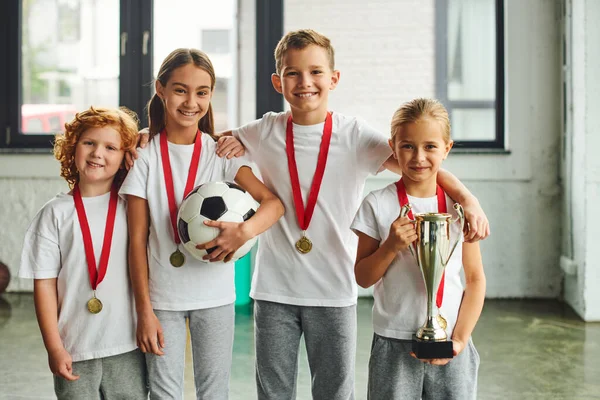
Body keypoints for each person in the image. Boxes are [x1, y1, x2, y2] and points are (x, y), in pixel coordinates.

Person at [214, 29, 489, 400]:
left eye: (315, 72)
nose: (305, 82)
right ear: (278, 81)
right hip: (275, 289)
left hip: (335, 290)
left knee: (334, 392)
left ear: (334, 78)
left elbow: (419, 165)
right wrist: (147, 137)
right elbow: (199, 140)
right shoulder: (263, 130)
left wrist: (467, 198)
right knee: (273, 392)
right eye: (293, 73)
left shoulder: (355, 135)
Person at [120, 48, 284, 400]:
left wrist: (244, 231)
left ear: (211, 95)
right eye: (180, 90)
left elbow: (274, 205)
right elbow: (136, 242)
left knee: (214, 392)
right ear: (161, 90)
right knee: (164, 393)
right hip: (162, 298)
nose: (191, 101)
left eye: (202, 92)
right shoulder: (144, 156)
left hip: (215, 296)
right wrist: (143, 311)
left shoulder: (221, 154)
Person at [352, 98, 486, 399]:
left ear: (447, 149)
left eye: (430, 146)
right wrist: (390, 246)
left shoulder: (460, 208)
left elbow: (475, 280)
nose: (418, 157)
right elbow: (362, 277)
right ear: (393, 147)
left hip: (452, 339)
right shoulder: (377, 204)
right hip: (393, 341)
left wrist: (460, 340)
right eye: (408, 146)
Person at [19, 106, 148, 399]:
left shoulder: (134, 207)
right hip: (74, 348)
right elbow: (44, 286)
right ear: (72, 147)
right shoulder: (54, 214)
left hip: (128, 345)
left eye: (111, 146)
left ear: (126, 157)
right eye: (89, 142)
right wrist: (54, 347)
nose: (97, 153)